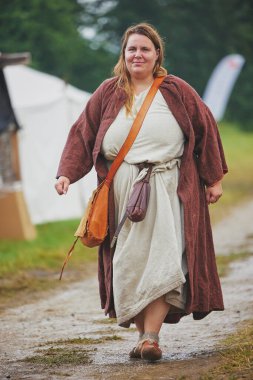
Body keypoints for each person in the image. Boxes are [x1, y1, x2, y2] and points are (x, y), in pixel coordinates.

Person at [55, 23, 228, 361]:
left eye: (145, 49)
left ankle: (151, 337)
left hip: (168, 186)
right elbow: (83, 133)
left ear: (157, 54)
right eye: (132, 49)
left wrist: (213, 178)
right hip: (121, 191)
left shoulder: (177, 91)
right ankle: (142, 337)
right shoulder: (108, 92)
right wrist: (66, 173)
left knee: (164, 260)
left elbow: (206, 128)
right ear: (123, 54)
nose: (138, 54)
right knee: (129, 263)